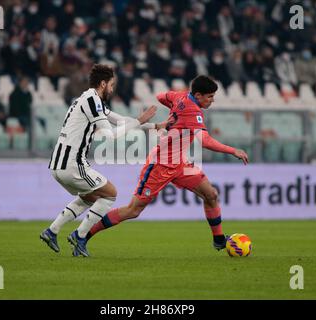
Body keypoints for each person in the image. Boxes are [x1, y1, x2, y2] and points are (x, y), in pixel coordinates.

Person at [76, 75, 249, 257]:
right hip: (160, 165)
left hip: (179, 164)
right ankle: (82, 236)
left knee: (211, 194)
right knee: (133, 210)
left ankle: (219, 240)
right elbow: (204, 141)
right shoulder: (193, 112)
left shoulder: (180, 97)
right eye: (210, 96)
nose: (212, 100)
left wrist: (175, 112)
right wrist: (233, 151)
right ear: (198, 95)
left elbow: (160, 96)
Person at [39, 64, 162, 255]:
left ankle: (52, 231)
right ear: (103, 84)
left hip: (58, 165)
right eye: (111, 85)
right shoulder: (92, 100)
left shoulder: (86, 99)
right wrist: (139, 121)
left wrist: (153, 125)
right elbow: (110, 135)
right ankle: (79, 237)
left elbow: (120, 119)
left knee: (91, 197)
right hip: (73, 164)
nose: (112, 90)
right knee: (111, 193)